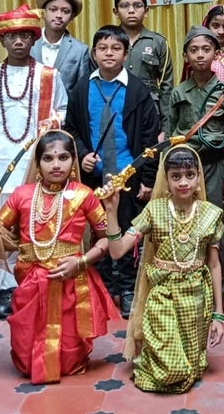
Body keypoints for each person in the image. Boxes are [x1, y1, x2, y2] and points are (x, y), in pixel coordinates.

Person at [0, 131, 118, 384]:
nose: (56, 165)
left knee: (70, 359)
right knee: (25, 359)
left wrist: (81, 262)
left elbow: (106, 239)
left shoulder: (84, 194)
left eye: (63, 157)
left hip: (71, 282)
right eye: (48, 158)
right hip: (30, 282)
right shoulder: (21, 195)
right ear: (38, 163)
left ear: (73, 160)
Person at [107, 145, 224, 393]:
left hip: (197, 300)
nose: (183, 182)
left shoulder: (211, 214)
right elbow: (117, 251)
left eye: (190, 175)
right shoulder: (154, 210)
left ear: (199, 177)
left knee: (191, 370)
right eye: (176, 176)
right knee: (173, 370)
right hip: (163, 297)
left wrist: (218, 315)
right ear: (166, 179)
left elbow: (214, 265)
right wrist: (111, 211)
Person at [0, 4, 68, 319]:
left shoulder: (48, 76)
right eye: (12, 36)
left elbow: (62, 110)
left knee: (37, 220)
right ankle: (5, 289)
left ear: (34, 38)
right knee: (1, 225)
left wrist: (53, 120)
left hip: (38, 162)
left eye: (25, 36)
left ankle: (34, 282)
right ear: (2, 39)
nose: (18, 42)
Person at [64, 25, 161, 319]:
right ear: (94, 53)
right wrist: (82, 154)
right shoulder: (82, 89)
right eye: (103, 48)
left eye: (116, 48)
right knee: (98, 231)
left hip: (127, 177)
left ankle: (129, 288)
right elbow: (71, 129)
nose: (109, 53)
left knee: (128, 231)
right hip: (95, 177)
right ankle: (104, 286)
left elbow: (150, 137)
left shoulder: (138, 91)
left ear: (126, 54)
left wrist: (147, 178)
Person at [165, 26, 224, 299]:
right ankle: (190, 286)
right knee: (185, 224)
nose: (200, 55)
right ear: (185, 56)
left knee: (216, 226)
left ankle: (221, 292)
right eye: (194, 50)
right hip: (185, 169)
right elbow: (170, 134)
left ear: (216, 53)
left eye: (206, 49)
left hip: (215, 166)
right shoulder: (178, 92)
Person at [114, 0, 174, 134]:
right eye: (125, 6)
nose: (131, 10)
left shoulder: (158, 42)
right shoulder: (107, 42)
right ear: (116, 12)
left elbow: (166, 89)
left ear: (146, 11)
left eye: (137, 6)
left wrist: (165, 130)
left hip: (149, 114)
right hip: (115, 112)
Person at [32, 0, 90, 95]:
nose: (59, 15)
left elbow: (82, 91)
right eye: (53, 10)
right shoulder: (30, 44)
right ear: (43, 13)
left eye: (65, 11)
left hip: (65, 105)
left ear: (72, 17)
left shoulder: (80, 50)